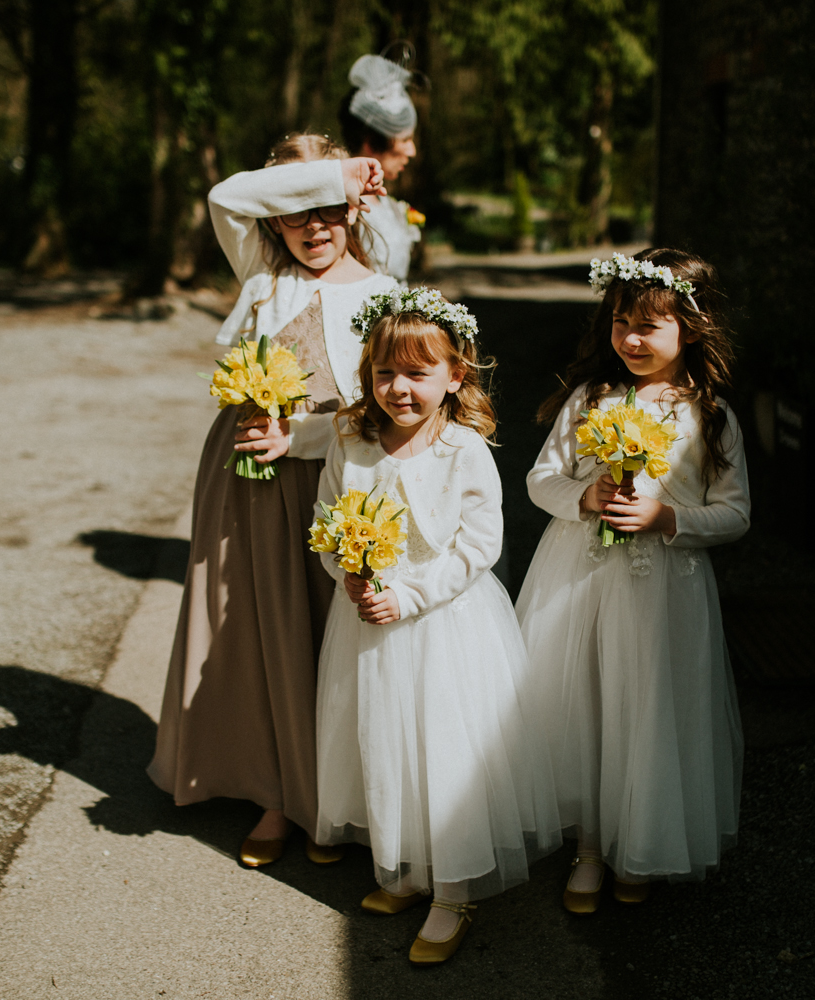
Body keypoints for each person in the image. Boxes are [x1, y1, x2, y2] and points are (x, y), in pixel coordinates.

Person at [148, 133, 400, 868]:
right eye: (294, 209)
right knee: (256, 626)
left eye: (328, 207)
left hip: (327, 468)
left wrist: (305, 442)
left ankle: (331, 790)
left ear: (353, 207)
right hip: (244, 472)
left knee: (325, 626)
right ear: (274, 219)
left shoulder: (381, 295)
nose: (313, 226)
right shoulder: (262, 275)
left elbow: (381, 408)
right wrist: (333, 172)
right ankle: (274, 794)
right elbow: (226, 196)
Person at [313, 288, 560, 963]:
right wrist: (350, 576)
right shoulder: (353, 441)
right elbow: (327, 524)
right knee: (385, 743)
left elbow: (478, 549)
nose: (398, 388)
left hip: (444, 625)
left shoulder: (463, 450)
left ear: (455, 376)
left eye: (418, 373)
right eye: (385, 372)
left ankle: (453, 889)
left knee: (444, 753)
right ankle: (406, 869)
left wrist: (412, 595)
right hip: (368, 625)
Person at [515, 248, 750, 911]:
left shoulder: (709, 414)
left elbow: (735, 513)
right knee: (587, 705)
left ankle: (639, 842)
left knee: (647, 709)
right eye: (621, 323)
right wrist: (584, 498)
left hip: (662, 591)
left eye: (649, 326)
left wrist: (667, 514)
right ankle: (589, 845)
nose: (631, 340)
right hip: (581, 579)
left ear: (692, 329)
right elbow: (541, 478)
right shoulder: (589, 399)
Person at [338, 52, 422, 281]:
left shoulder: (390, 205)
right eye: (405, 140)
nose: (412, 151)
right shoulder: (336, 209)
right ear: (372, 143)